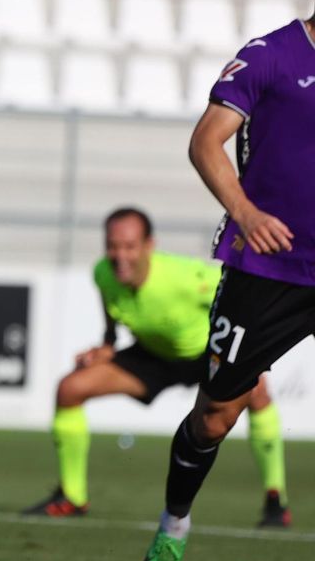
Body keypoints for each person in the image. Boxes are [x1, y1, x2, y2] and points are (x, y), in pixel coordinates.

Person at [140, 0, 315, 561]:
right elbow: (205, 139)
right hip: (266, 268)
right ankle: (174, 524)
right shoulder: (271, 55)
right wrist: (243, 212)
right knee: (216, 416)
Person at [24, 207, 287, 526]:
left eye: (129, 246)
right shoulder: (102, 273)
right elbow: (111, 314)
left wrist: (253, 348)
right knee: (70, 389)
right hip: (153, 358)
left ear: (149, 245)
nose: (120, 255)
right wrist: (106, 346)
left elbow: (236, 293)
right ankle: (73, 497)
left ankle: (276, 501)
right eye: (113, 246)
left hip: (205, 354)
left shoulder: (186, 277)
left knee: (257, 391)